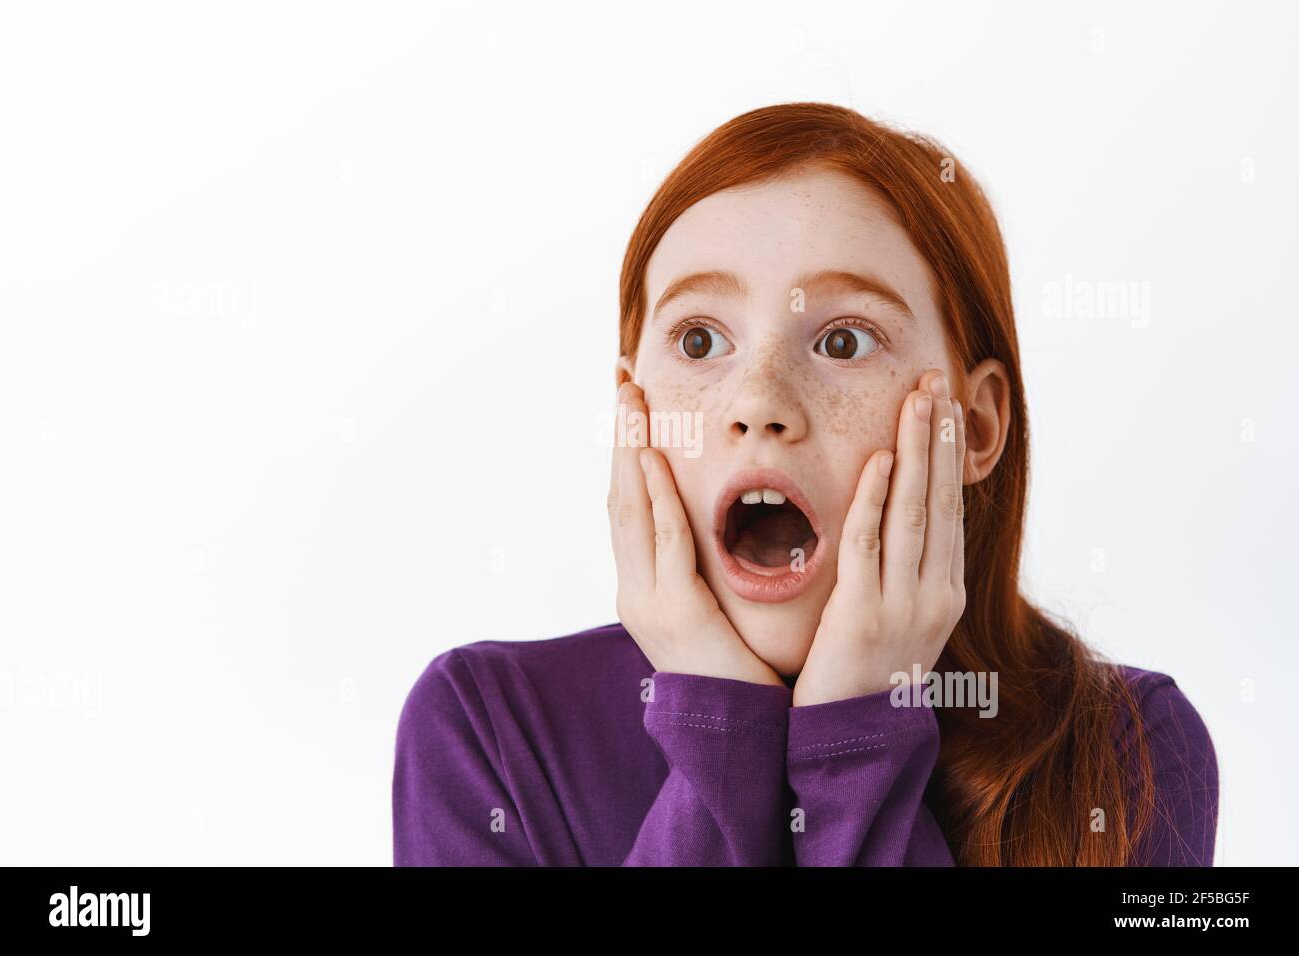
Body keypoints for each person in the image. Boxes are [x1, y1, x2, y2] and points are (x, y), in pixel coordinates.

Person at [392, 103, 1218, 866]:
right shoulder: (483, 733)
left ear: (975, 426)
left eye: (845, 342)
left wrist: (858, 737)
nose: (759, 403)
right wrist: (716, 721)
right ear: (630, 413)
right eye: (699, 339)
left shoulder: (1131, 748)